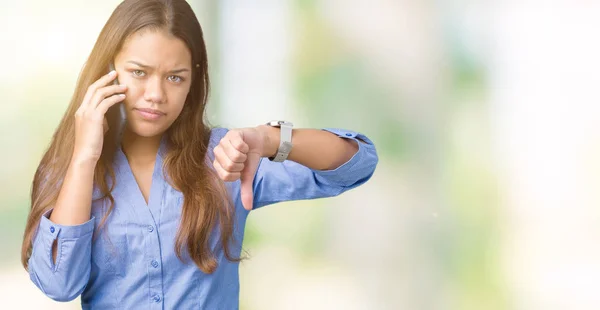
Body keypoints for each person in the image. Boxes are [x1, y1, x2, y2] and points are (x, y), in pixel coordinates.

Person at [21, 0, 378, 308]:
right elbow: (58, 286)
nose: (156, 94)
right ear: (108, 72)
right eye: (139, 73)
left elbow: (356, 164)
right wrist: (84, 158)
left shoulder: (227, 157)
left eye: (174, 77)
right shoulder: (70, 171)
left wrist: (268, 138)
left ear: (193, 81)